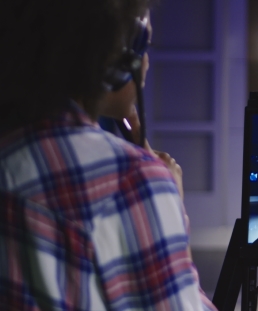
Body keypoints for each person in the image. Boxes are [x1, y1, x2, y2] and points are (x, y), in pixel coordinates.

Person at [0, 2, 216, 310]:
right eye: (145, 45)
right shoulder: (133, 182)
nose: (146, 63)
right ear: (116, 60)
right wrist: (171, 211)